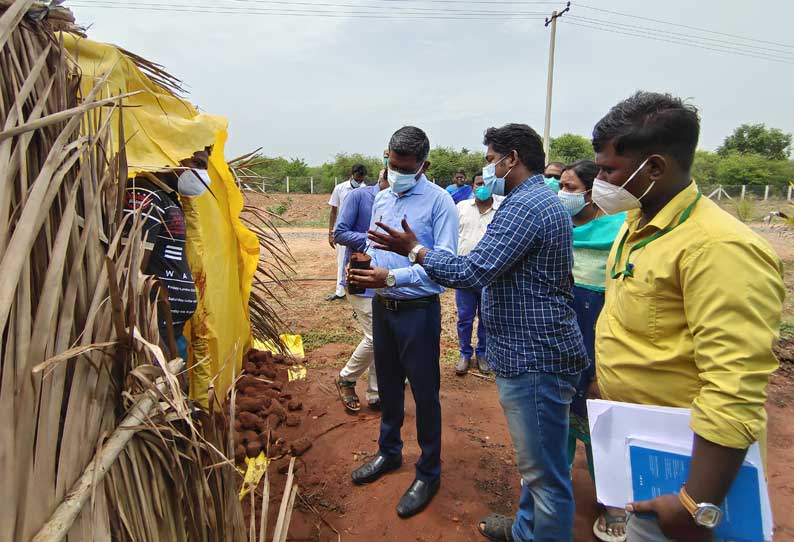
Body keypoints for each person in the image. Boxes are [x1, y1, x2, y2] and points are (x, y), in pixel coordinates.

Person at [367, 123, 587, 542]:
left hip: (533, 352)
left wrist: (412, 252)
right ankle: (526, 531)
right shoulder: (533, 200)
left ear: (512, 159)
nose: (485, 171)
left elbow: (470, 268)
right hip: (525, 346)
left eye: (489, 161)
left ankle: (432, 474)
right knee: (538, 468)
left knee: (545, 476)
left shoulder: (524, 206)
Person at [591, 92, 784, 542]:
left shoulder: (719, 249)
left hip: (683, 472)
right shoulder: (639, 222)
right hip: (638, 444)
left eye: (608, 170)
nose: (599, 179)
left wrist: (697, 502)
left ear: (654, 168)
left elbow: (734, 386)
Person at [347, 126, 458, 519]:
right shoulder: (380, 198)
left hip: (417, 311)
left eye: (405, 168)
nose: (396, 172)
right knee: (389, 386)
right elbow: (377, 249)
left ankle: (429, 471)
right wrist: (368, 269)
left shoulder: (440, 203)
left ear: (423, 165)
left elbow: (443, 267)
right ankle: (389, 452)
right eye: (391, 164)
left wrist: (392, 277)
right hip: (383, 308)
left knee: (424, 393)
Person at [558, 159, 628, 542]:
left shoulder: (620, 231)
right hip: (562, 329)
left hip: (599, 330)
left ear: (590, 191)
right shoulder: (559, 227)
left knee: (602, 418)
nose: (562, 193)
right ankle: (557, 477)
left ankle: (613, 500)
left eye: (569, 186)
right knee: (560, 412)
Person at [123, 149, 211, 362]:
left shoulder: (167, 197)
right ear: (172, 153)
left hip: (170, 331)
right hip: (155, 333)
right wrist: (156, 341)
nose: (202, 174)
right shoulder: (144, 195)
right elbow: (133, 271)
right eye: (197, 163)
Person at [332, 168, 390, 412]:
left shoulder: (398, 201)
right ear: (385, 177)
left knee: (383, 338)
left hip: (386, 281)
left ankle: (375, 393)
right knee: (375, 337)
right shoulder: (359, 197)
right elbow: (340, 232)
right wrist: (371, 239)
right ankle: (346, 377)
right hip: (360, 279)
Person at [452, 173, 501, 376]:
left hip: (490, 271)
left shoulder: (502, 209)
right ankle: (464, 353)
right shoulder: (461, 208)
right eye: (478, 184)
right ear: (473, 186)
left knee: (487, 317)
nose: (482, 187)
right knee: (464, 316)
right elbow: (452, 234)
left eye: (485, 184)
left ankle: (482, 353)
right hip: (465, 269)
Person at [327, 164, 367, 301]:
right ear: (352, 174)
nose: (359, 181)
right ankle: (340, 291)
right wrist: (331, 233)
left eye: (361, 179)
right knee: (342, 260)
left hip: (359, 231)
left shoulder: (366, 190)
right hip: (343, 231)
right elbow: (333, 211)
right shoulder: (340, 188)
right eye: (357, 178)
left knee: (358, 260)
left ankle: (356, 287)